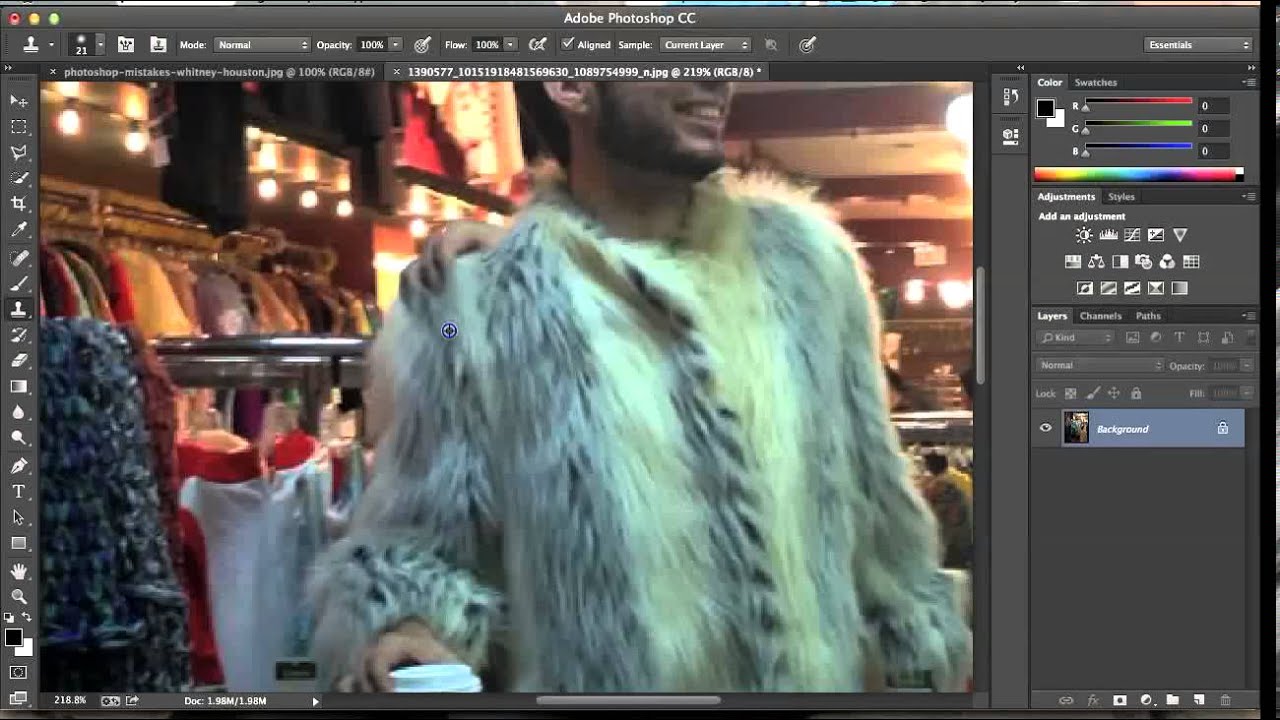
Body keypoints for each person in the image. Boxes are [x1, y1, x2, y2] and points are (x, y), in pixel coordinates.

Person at [311, 81, 968, 693]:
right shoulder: (467, 309)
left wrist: (919, 663)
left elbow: (882, 523)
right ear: (571, 85)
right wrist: (410, 628)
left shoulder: (809, 269)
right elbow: (422, 544)